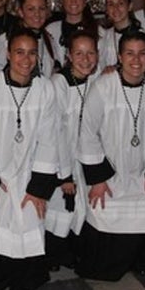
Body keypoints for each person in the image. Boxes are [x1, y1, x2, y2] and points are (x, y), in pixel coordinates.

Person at [76, 29, 145, 281]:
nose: (136, 60)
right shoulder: (103, 87)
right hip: (111, 168)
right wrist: (98, 179)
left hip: (142, 169)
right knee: (106, 215)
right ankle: (105, 268)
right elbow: (87, 132)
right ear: (119, 56)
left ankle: (140, 262)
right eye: (129, 53)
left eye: (142, 53)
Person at [0, 26, 60, 290]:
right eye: (19, 52)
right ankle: (0, 277)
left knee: (30, 221)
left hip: (32, 174)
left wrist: (39, 187)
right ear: (8, 54)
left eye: (32, 53)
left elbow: (49, 138)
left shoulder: (45, 89)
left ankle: (27, 280)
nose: (26, 59)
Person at [44, 30, 99, 269]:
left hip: (85, 158)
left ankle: (72, 252)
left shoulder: (96, 82)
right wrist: (64, 174)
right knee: (60, 208)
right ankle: (53, 255)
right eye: (79, 53)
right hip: (62, 160)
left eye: (90, 53)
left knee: (82, 208)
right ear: (68, 55)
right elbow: (55, 132)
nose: (85, 59)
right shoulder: (59, 84)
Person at [0, 0, 58, 78]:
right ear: (20, 12)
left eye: (41, 8)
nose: (37, 14)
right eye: (31, 9)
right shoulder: (7, 40)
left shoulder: (49, 40)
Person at [45, 0, 99, 71]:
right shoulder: (50, 30)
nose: (73, 0)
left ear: (85, 1)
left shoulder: (100, 32)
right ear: (62, 1)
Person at [98, 0, 139, 70]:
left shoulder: (141, 36)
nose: (115, 8)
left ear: (130, 6)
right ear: (106, 9)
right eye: (111, 4)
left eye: (120, 3)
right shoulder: (104, 37)